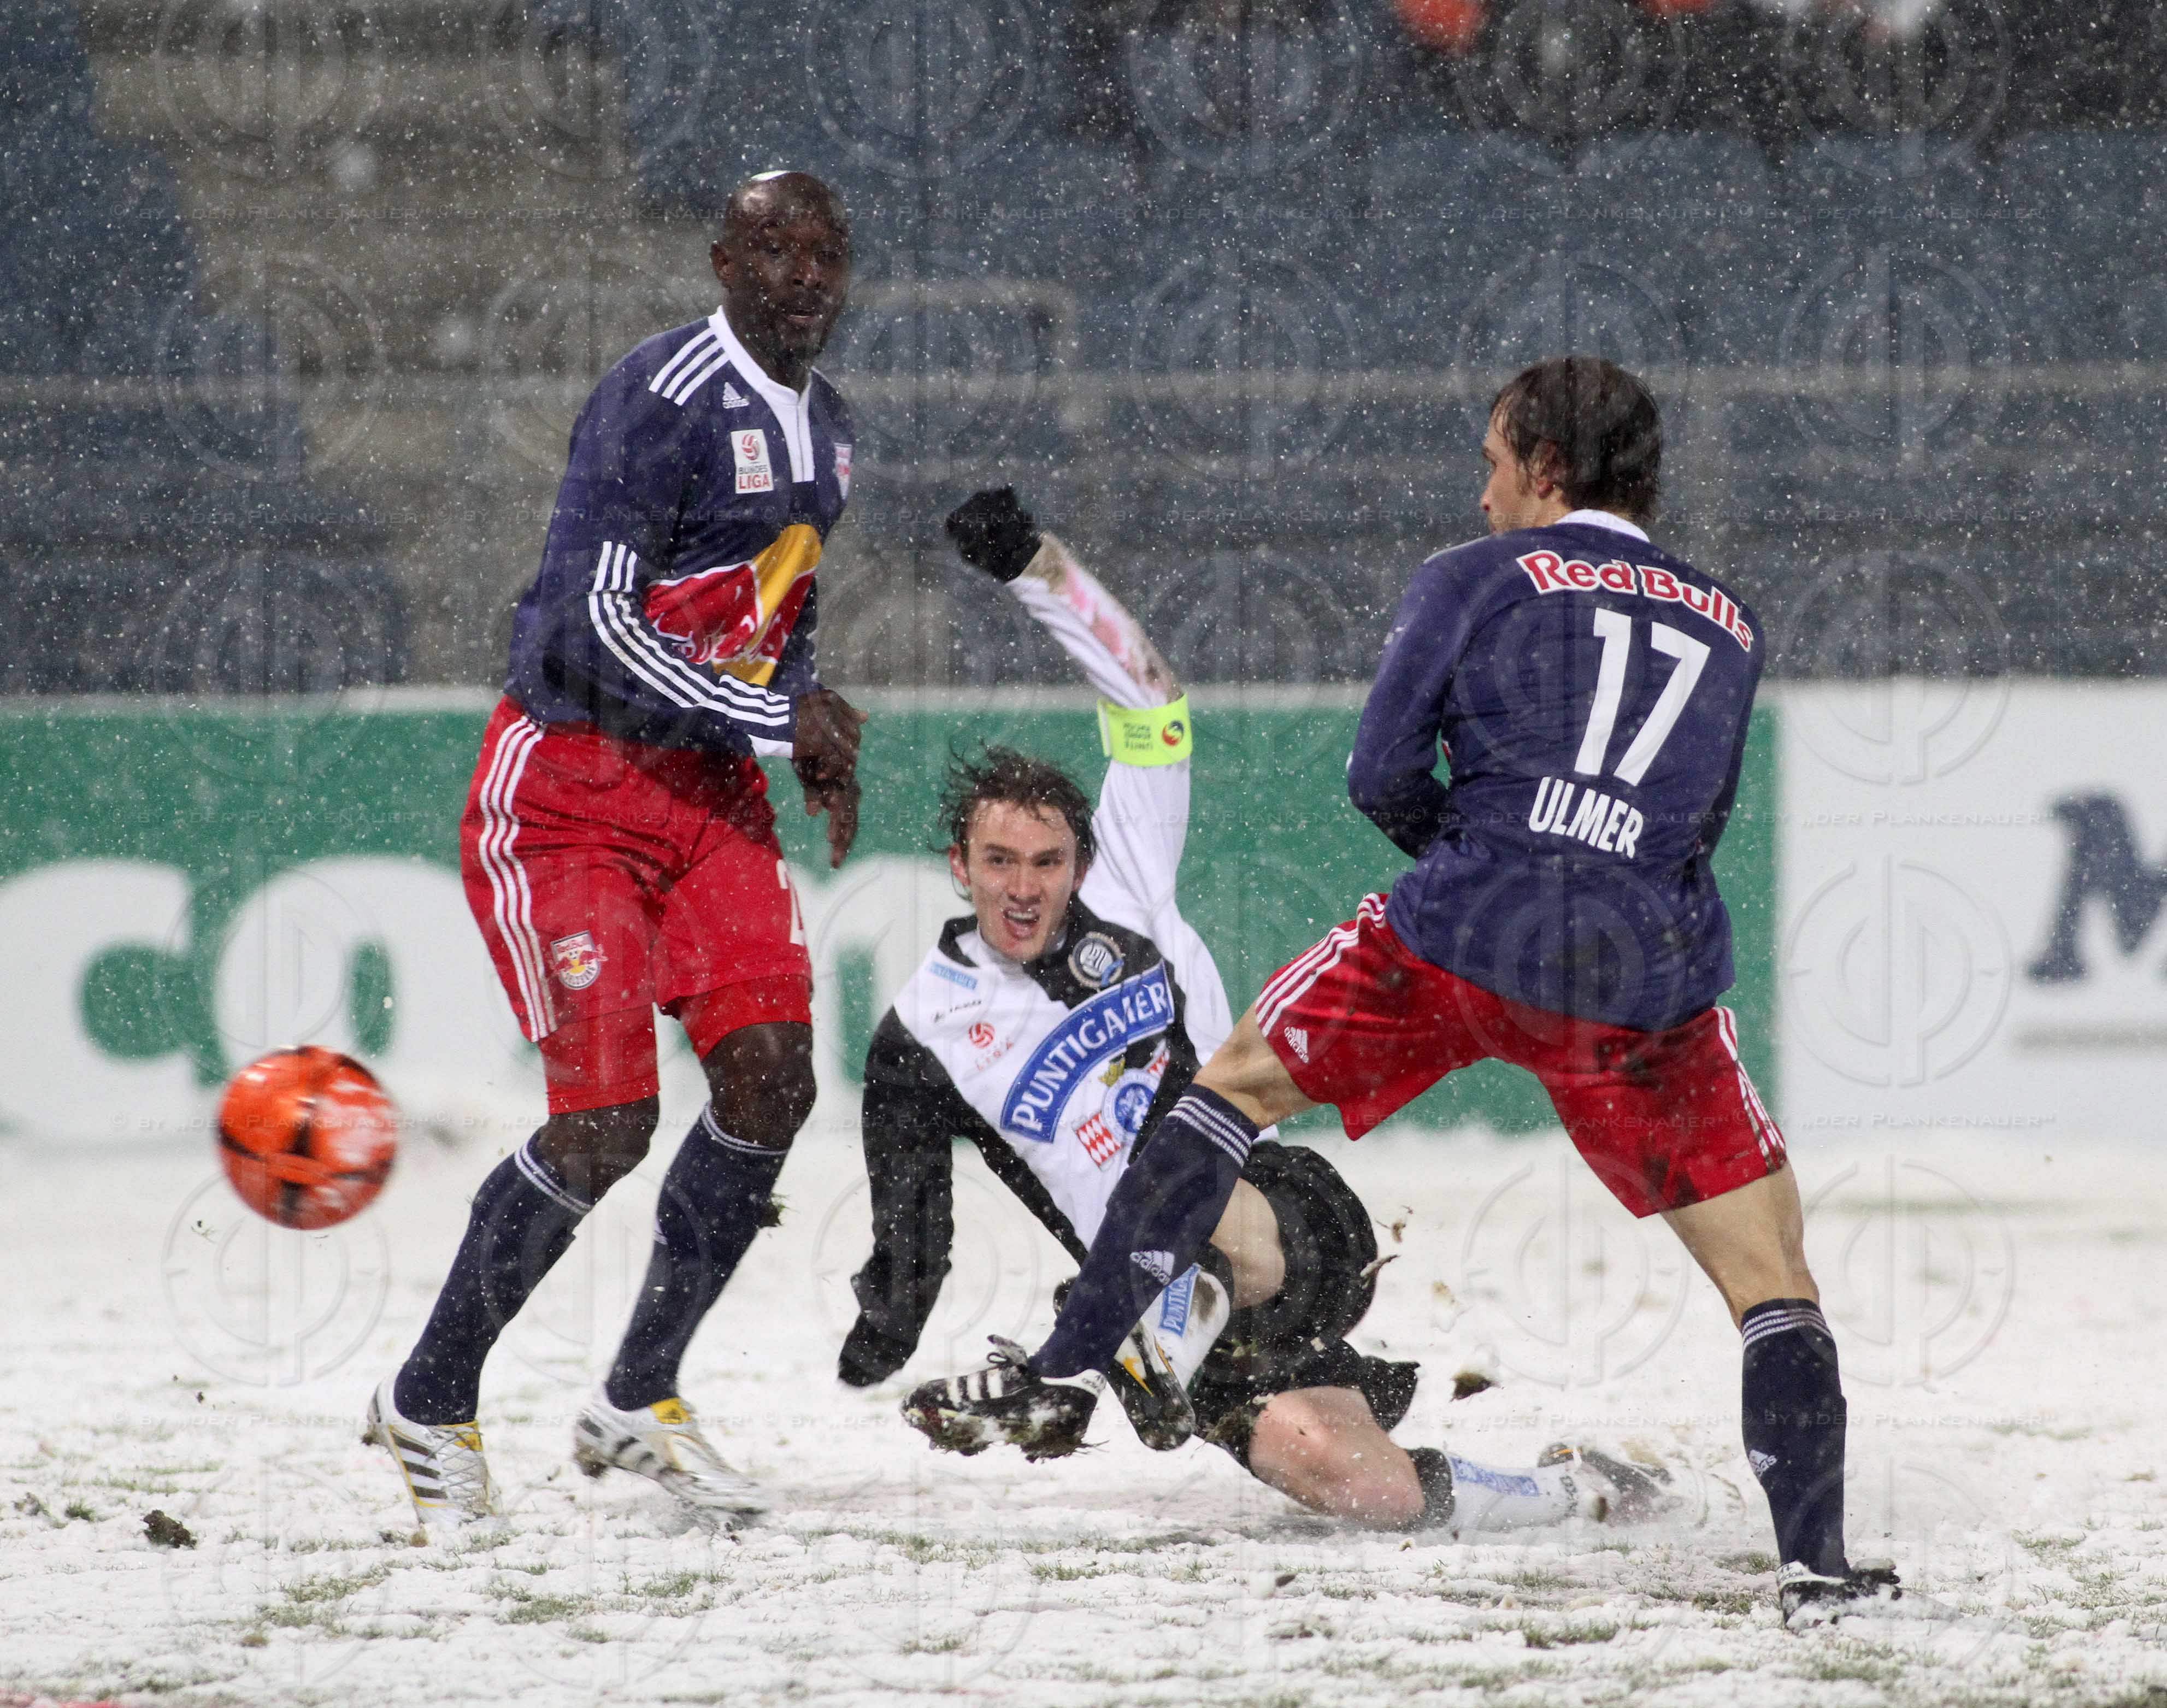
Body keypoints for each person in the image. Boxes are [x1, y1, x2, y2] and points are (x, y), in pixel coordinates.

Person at [906, 358, 1896, 1623]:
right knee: (1772, 1281)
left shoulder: (1473, 577)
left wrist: (1493, 865)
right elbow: (1686, 821)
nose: (1482, 497)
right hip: (1645, 969)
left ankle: (1066, 1360)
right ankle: (1817, 1568)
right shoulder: (1731, 620)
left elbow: (1378, 773)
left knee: (1227, 1094)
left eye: (1493, 465)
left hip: (1465, 926)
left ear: (1545, 469)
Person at [862, 488, 1677, 1532]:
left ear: (1082, 859)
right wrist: (880, 1323)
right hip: (1143, 1288)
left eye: (1048, 859)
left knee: (1181, 1214)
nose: (1025, 886)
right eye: (998, 862)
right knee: (1351, 1482)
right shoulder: (933, 1020)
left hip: (1266, 1208)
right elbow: (909, 1209)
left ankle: (1088, 1356)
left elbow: (1149, 702)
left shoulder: (1129, 878)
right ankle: (1581, 1489)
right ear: (959, 868)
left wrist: (1039, 568)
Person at [364, 171, 867, 1535]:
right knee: (605, 1123)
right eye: (771, 250)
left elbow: (774, 619)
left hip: (706, 796)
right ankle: (427, 1399)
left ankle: (638, 1397)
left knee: (771, 1083)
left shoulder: (833, 434)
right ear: (721, 262)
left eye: (821, 253)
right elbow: (590, 631)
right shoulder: (660, 399)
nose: (799, 275)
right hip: (571, 786)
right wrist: (783, 712)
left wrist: (802, 723)